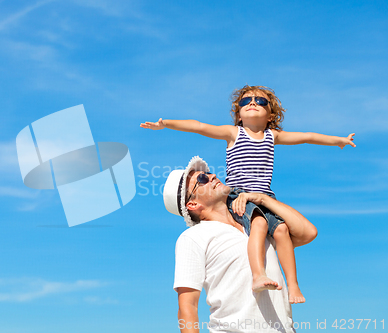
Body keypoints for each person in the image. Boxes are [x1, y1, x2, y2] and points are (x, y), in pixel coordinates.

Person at [142, 85, 355, 303]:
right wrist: (166, 124)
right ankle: (258, 274)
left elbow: (308, 136)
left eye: (260, 101)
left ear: (270, 114)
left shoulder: (272, 136)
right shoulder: (234, 133)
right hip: (238, 194)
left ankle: (293, 286)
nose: (252, 103)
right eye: (246, 101)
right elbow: (199, 126)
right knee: (259, 224)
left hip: (265, 197)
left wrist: (338, 140)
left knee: (281, 230)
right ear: (239, 114)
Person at [163, 156, 317, 333]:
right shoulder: (193, 237)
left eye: (207, 173)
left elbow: (308, 232)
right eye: (202, 179)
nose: (212, 176)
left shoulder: (255, 224)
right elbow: (187, 306)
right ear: (192, 203)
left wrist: (264, 200)